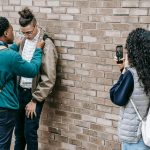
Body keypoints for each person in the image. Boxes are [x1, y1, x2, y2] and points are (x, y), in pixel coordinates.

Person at [14, 7, 58, 150]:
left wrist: (35, 100)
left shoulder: (47, 45)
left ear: (36, 26)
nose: (27, 35)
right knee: (19, 133)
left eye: (29, 32)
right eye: (23, 33)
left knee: (29, 133)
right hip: (19, 92)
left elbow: (49, 78)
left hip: (34, 94)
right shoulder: (23, 41)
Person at [0, 16, 44, 150]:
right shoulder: (10, 56)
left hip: (25, 96)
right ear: (6, 33)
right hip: (5, 106)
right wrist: (38, 50)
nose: (16, 34)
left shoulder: (8, 53)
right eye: (13, 30)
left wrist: (14, 46)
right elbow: (32, 70)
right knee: (3, 143)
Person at [110, 28, 150, 150]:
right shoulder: (146, 73)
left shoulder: (131, 74)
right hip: (146, 134)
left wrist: (124, 71)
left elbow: (117, 97)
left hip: (133, 137)